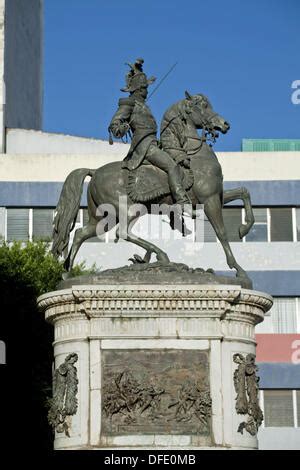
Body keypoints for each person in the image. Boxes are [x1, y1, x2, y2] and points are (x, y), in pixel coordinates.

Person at [108, 59, 191, 208]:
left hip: (153, 144)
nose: (147, 91)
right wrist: (121, 128)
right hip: (145, 148)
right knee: (172, 166)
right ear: (140, 89)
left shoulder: (143, 106)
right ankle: (182, 201)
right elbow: (115, 124)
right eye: (146, 88)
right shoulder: (129, 104)